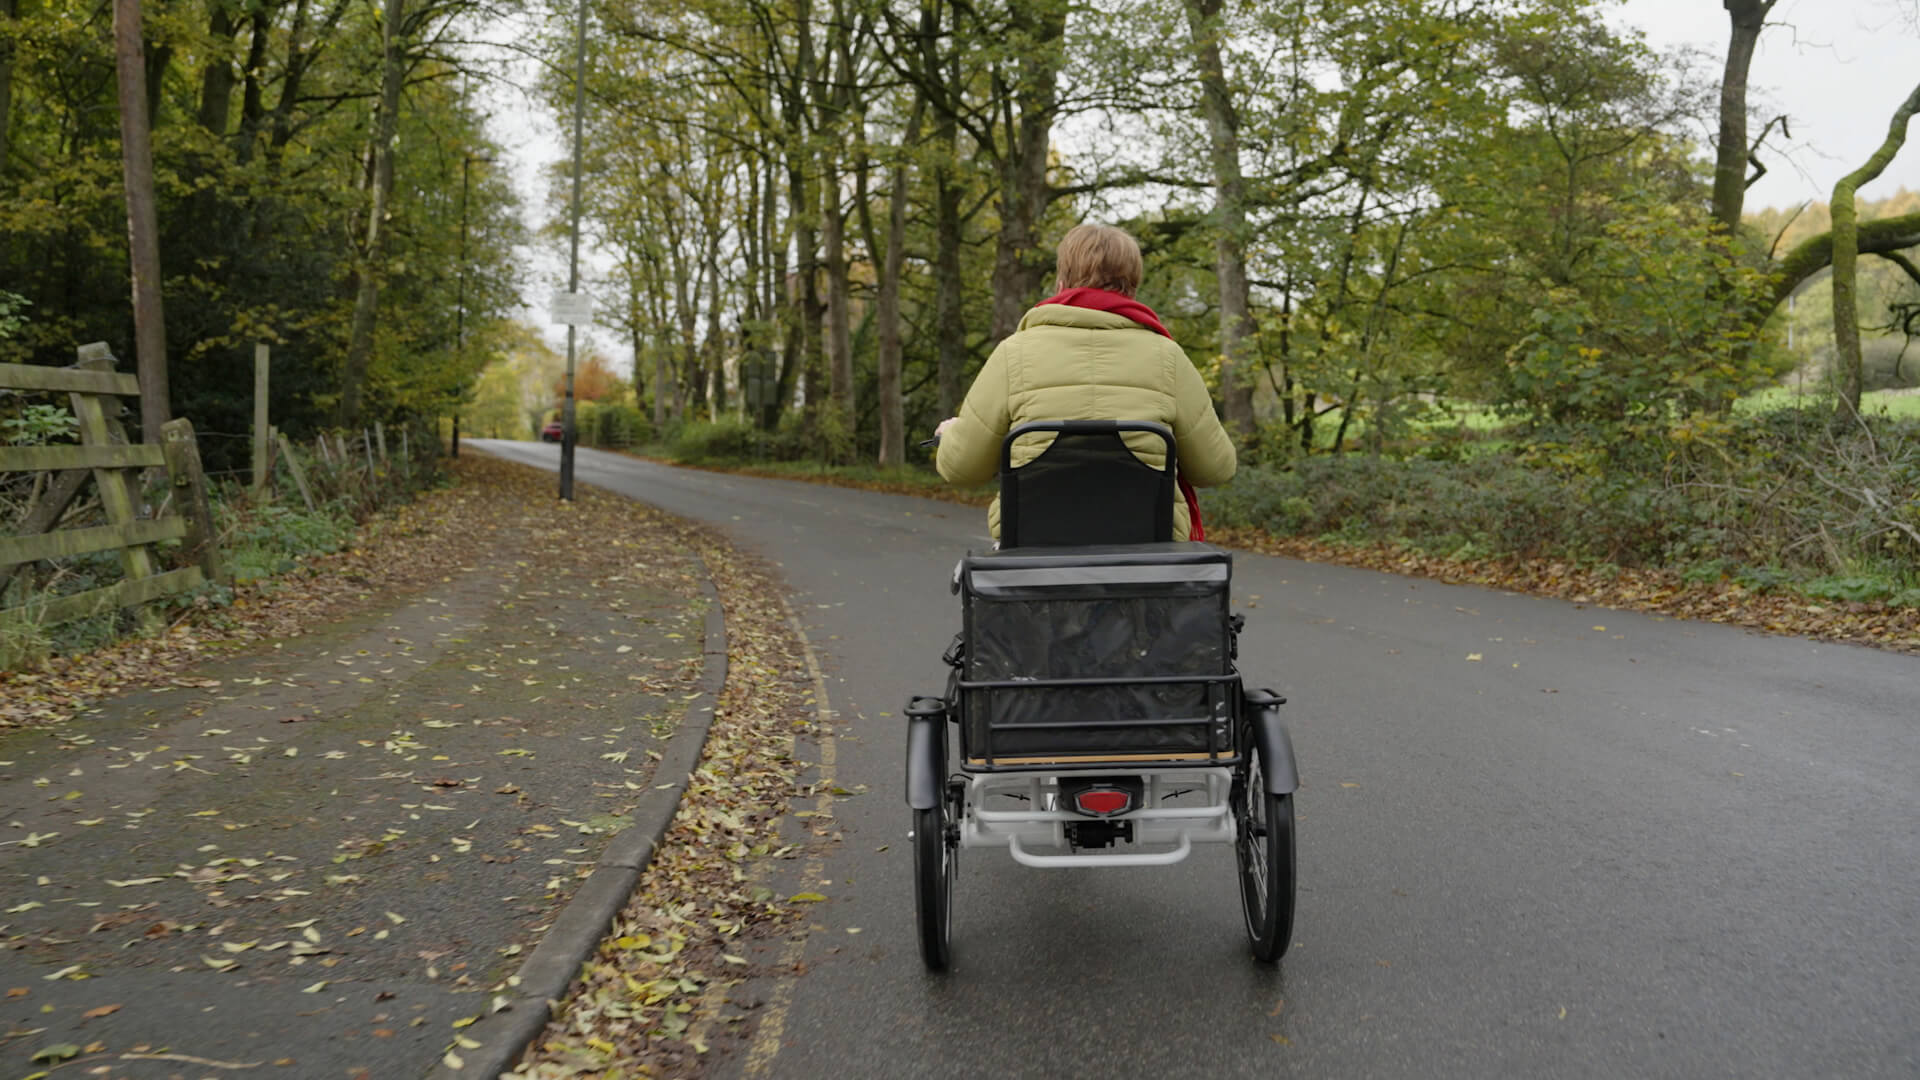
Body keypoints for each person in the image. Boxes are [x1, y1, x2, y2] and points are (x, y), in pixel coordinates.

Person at [934, 222, 1237, 543]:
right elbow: (1215, 469)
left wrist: (950, 433)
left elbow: (963, 470)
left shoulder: (1014, 353)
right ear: (1132, 287)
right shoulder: (1168, 356)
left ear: (1061, 282)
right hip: (1148, 541)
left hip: (1032, 537)